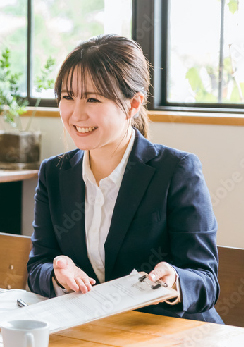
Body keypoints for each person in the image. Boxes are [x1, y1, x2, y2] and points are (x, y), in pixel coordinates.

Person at [27, 34, 223, 323]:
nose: (76, 114)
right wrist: (57, 274)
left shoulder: (177, 170)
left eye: (92, 98)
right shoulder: (54, 173)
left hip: (171, 336)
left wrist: (175, 282)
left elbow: (205, 280)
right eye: (68, 97)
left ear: (133, 105)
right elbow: (37, 267)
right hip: (95, 334)